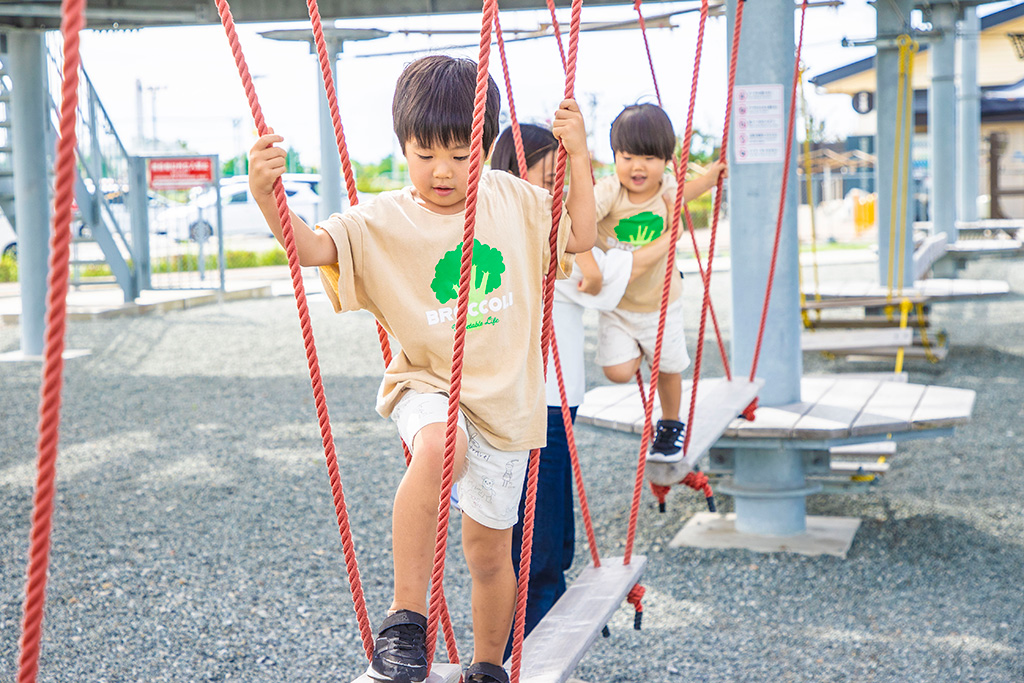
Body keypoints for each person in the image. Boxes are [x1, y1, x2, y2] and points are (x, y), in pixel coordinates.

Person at [247, 56, 596, 683]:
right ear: (403, 146)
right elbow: (310, 247)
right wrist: (265, 195)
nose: (443, 170)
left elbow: (581, 235)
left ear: (487, 149)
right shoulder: (383, 219)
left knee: (489, 552)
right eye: (425, 152)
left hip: (508, 407)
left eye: (462, 155)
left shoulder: (515, 201)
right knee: (440, 445)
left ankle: (488, 665)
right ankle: (406, 619)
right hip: (428, 384)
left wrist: (581, 159)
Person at [489, 123, 675, 651]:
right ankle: (524, 654)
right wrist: (665, 242)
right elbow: (596, 278)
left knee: (554, 542)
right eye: (550, 177)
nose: (559, 190)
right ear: (511, 177)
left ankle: (527, 649)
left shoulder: (547, 226)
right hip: (534, 405)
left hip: (555, 400)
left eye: (563, 179)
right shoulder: (529, 232)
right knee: (539, 550)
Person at [593, 103, 726, 463]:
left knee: (668, 368)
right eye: (628, 156)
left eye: (650, 157)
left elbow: (686, 191)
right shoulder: (610, 192)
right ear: (615, 157)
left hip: (660, 303)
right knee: (617, 371)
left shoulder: (666, 188)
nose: (638, 166)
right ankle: (637, 350)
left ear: (667, 160)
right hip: (618, 307)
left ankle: (670, 423)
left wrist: (711, 178)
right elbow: (585, 212)